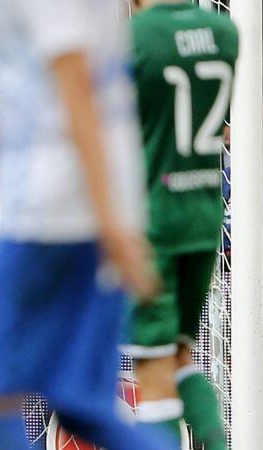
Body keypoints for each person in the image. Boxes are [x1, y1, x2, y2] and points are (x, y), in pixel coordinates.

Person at [0, 0, 183, 448]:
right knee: (78, 402)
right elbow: (50, 99)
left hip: (51, 210)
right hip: (80, 199)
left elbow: (76, 90)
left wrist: (113, 225)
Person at [123, 1, 238, 448]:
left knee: (153, 366)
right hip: (205, 213)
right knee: (181, 356)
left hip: (156, 219)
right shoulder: (226, 33)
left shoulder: (137, 39)